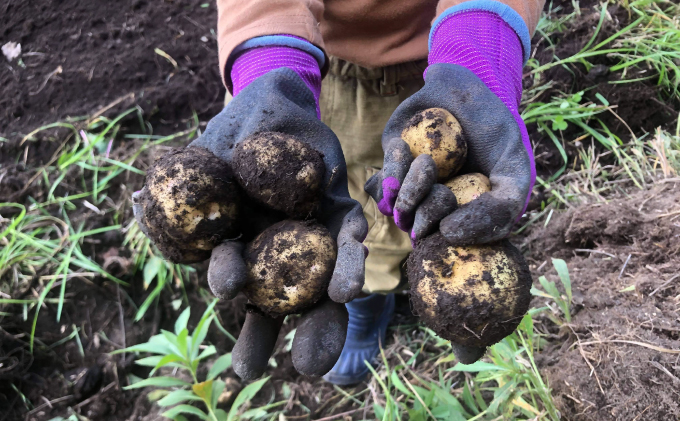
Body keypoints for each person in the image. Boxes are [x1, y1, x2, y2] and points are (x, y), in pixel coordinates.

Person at [137, 0, 542, 385]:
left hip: (430, 58)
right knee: (346, 213)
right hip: (291, 68)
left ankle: (374, 291)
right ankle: (364, 298)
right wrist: (268, 62)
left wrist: (481, 44)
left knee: (387, 213)